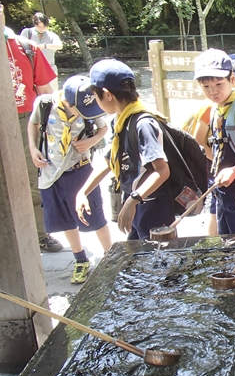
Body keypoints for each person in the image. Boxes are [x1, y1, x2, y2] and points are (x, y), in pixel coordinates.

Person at [75, 59, 174, 240]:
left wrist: (133, 200)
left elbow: (162, 171)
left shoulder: (143, 124)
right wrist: (83, 191)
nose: (97, 102)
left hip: (152, 207)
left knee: (157, 262)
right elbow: (109, 161)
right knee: (136, 257)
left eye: (96, 97)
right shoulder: (120, 121)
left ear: (107, 94)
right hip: (136, 203)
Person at [27, 76, 112, 284]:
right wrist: (33, 148)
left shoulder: (90, 108)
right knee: (65, 219)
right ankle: (80, 259)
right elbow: (33, 123)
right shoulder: (45, 103)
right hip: (51, 172)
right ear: (67, 102)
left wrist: (90, 142)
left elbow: (103, 128)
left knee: (95, 217)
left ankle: (112, 257)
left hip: (80, 171)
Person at [0, 0, 63, 252]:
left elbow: (45, 92)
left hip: (25, 119)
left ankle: (39, 233)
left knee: (31, 179)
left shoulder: (26, 47)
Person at [182, 53, 235, 236]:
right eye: (206, 86)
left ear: (232, 79)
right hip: (223, 194)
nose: (213, 91)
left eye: (219, 84)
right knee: (226, 248)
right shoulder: (216, 109)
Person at [20, 12, 63, 92]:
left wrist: (45, 46)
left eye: (44, 26)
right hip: (33, 70)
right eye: (39, 26)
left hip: (49, 69)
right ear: (34, 24)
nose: (41, 29)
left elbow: (60, 46)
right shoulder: (27, 32)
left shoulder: (51, 35)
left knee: (52, 94)